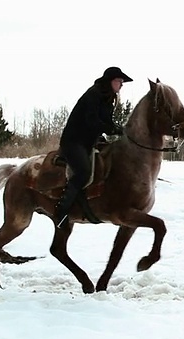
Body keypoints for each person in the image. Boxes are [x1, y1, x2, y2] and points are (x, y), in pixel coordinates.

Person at [55, 66, 133, 228]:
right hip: (74, 141)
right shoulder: (94, 94)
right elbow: (92, 121)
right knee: (83, 172)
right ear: (110, 81)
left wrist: (119, 130)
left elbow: (105, 122)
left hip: (89, 141)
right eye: (119, 81)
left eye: (121, 82)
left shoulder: (108, 98)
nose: (121, 85)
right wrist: (110, 129)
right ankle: (61, 211)